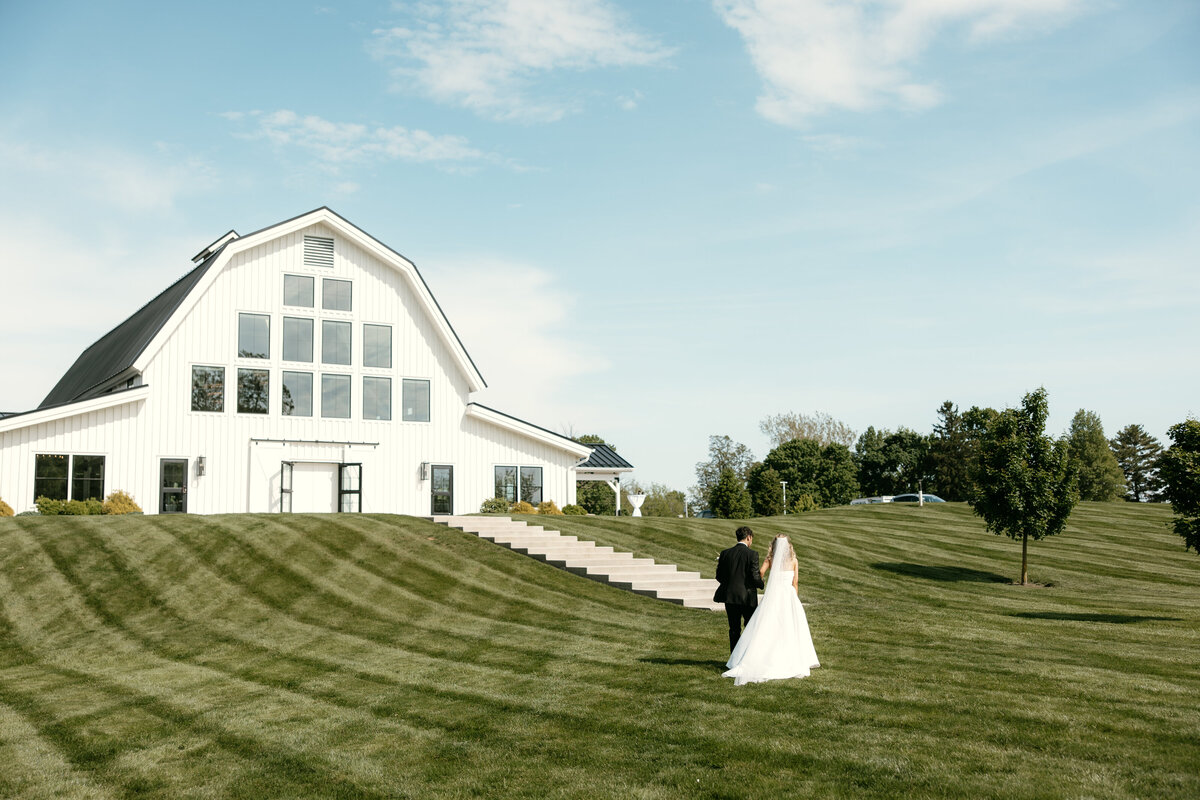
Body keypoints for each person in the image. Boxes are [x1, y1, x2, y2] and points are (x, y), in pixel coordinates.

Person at [723, 533, 820, 686]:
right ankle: (791, 658)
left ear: (774, 545)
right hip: (789, 596)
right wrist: (794, 598)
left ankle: (762, 657)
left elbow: (760, 573)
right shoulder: (794, 560)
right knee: (790, 627)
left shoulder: (770, 559)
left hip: (774, 596)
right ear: (788, 544)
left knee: (768, 627)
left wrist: (766, 582)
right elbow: (795, 582)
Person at [713, 526, 765, 653]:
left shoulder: (725, 553)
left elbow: (719, 576)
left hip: (730, 597)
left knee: (734, 629)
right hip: (747, 597)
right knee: (749, 627)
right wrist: (761, 584)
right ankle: (746, 656)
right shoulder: (752, 554)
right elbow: (754, 577)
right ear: (749, 537)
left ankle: (733, 658)